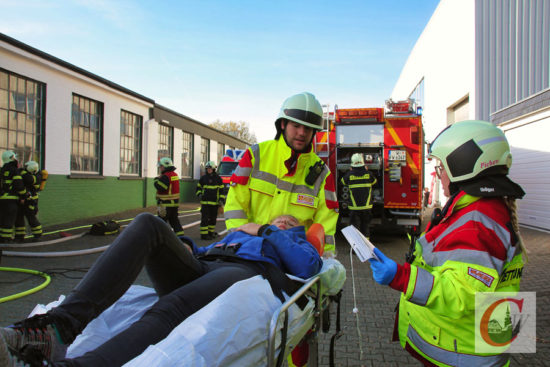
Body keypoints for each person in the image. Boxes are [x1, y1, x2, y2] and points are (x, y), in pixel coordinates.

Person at [0, 212, 322, 366]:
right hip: (206, 264)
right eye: (278, 219)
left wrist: (268, 230)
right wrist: (181, 249)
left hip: (243, 273)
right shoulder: (241, 234)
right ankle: (56, 329)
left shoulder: (291, 241)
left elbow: (308, 267)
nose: (282, 221)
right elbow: (204, 252)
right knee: (148, 225)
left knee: (172, 307)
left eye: (288, 221)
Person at [367, 120, 526, 366]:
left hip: (464, 354)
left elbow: (462, 295)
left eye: (440, 168)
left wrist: (400, 276)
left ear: (463, 166)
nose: (437, 175)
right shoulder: (480, 211)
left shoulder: (477, 221)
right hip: (474, 347)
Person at [224, 92, 339, 256]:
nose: (302, 133)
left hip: (295, 259)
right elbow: (235, 206)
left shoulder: (322, 174)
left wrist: (324, 261)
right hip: (251, 251)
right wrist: (241, 242)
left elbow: (325, 225)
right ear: (283, 124)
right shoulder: (255, 155)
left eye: (308, 128)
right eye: (296, 126)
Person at [340, 153, 377, 238]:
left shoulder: (349, 175)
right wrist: (366, 171)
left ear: (352, 165)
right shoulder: (368, 174)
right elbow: (375, 181)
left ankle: (355, 249)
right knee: (365, 228)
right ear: (363, 164)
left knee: (354, 229)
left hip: (354, 208)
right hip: (367, 207)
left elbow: (342, 182)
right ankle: (366, 249)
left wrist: (350, 171)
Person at [14, 161, 47, 243]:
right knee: (19, 217)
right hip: (24, 198)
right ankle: (19, 236)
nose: (24, 168)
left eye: (26, 167)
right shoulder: (30, 174)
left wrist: (20, 171)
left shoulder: (36, 176)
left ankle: (38, 234)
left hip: (31, 200)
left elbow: (27, 179)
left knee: (31, 217)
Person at [154, 157, 184, 236]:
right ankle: (180, 237)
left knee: (161, 223)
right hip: (174, 203)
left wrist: (156, 180)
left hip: (165, 204)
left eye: (161, 166)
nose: (160, 168)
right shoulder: (174, 175)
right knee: (175, 221)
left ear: (165, 166)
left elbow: (162, 187)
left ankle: (161, 239)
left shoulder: (165, 176)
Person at [0, 150, 26, 243]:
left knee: (3, 218)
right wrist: (23, 196)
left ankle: (2, 237)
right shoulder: (14, 170)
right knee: (10, 219)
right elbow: (19, 185)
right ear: (11, 158)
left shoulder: (1, 170)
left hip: (2, 199)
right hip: (12, 199)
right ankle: (7, 239)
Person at [196, 160, 225, 240]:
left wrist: (221, 200)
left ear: (213, 169)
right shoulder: (203, 178)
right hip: (205, 203)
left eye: (210, 169)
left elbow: (222, 190)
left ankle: (210, 233)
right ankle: (204, 235)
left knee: (213, 219)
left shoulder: (218, 179)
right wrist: (200, 194)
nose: (209, 170)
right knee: (204, 219)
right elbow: (198, 188)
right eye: (207, 169)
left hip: (215, 203)